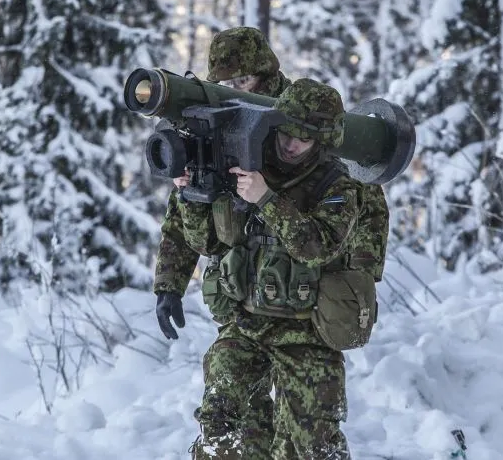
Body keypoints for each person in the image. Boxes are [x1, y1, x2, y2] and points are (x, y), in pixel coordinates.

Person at [154, 76, 389, 459]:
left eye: (304, 139)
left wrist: (266, 198)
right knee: (221, 429)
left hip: (306, 331)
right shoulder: (242, 161)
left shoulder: (338, 186)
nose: (291, 145)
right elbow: (206, 241)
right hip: (245, 323)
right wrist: (191, 194)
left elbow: (317, 246)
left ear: (323, 141)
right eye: (286, 134)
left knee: (311, 446)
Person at [153, 26, 291, 321]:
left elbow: (347, 192)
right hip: (235, 297)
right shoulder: (213, 125)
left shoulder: (299, 120)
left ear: (267, 77)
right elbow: (181, 214)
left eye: (243, 80)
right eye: (225, 83)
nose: (234, 90)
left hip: (296, 297)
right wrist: (169, 286)